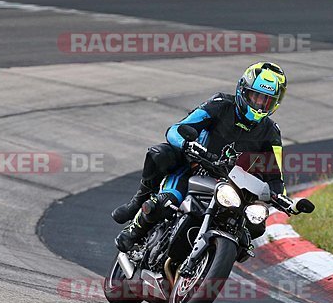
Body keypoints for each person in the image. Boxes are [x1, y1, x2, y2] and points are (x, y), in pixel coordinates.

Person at [114, 61, 288, 252]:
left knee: (254, 227)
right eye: (255, 97)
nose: (259, 104)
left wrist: (282, 198)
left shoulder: (271, 131)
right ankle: (136, 214)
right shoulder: (221, 104)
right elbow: (176, 130)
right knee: (164, 194)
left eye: (266, 101)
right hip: (195, 170)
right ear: (242, 90)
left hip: (233, 189)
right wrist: (187, 144)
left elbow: (275, 176)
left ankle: (216, 257)